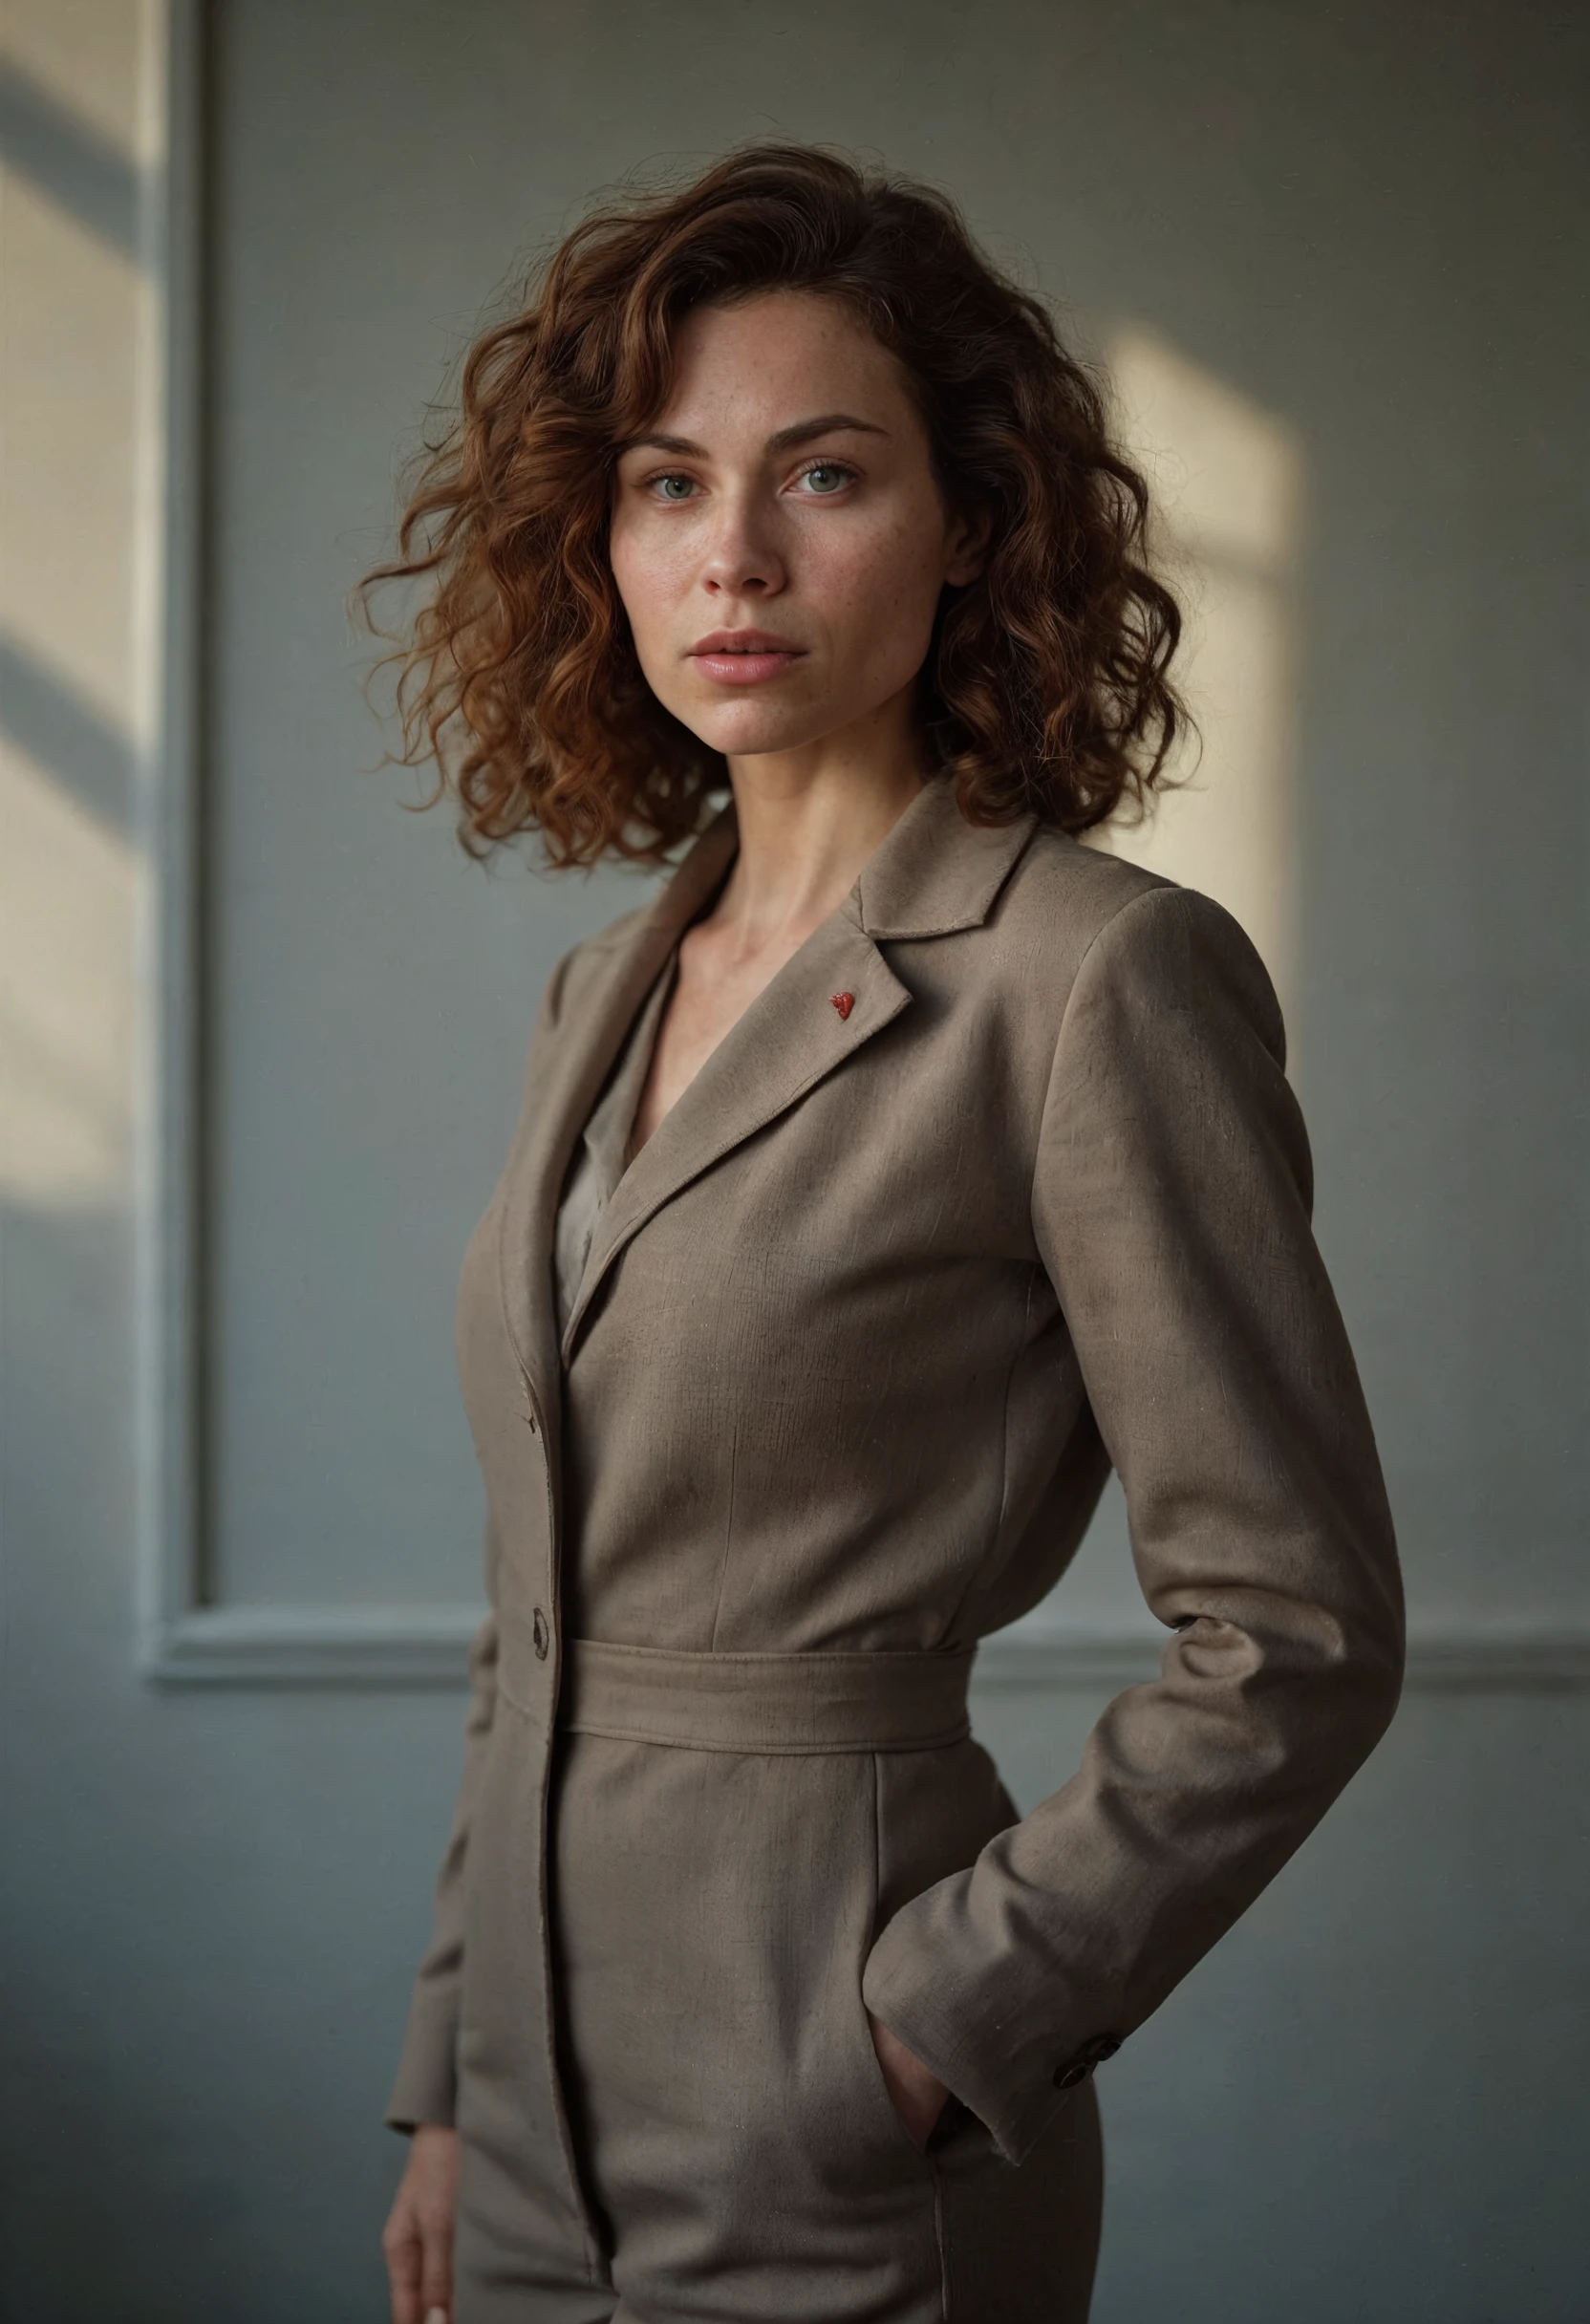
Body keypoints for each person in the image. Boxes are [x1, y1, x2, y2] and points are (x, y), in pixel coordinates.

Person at [364, 144, 1403, 2324]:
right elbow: (527, 1612)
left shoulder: (1093, 977)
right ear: (601, 546)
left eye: (821, 476)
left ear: (972, 532)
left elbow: (1291, 1624)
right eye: (664, 484)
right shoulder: (598, 995)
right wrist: (449, 2081)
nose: (730, 552)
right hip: (530, 2123)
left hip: (836, 2099)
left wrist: (941, 2026)